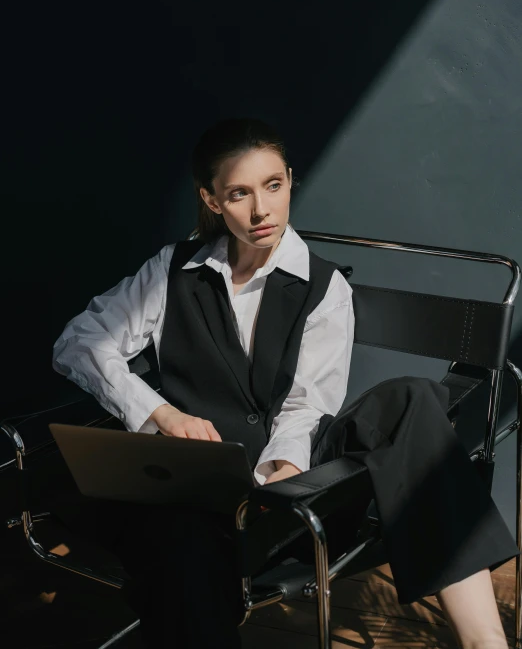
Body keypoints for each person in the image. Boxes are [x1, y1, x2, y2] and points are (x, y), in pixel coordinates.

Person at [52, 118, 518, 648]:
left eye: (273, 186)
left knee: (411, 398)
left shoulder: (324, 288)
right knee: (179, 542)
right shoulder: (172, 270)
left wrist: (282, 477)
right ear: (210, 200)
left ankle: (486, 642)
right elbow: (81, 342)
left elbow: (306, 406)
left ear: (290, 181)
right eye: (238, 193)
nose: (261, 210)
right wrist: (161, 413)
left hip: (296, 487)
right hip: (195, 492)